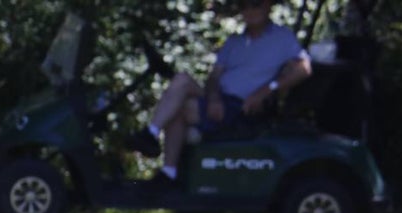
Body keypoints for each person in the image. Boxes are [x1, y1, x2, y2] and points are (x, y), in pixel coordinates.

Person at [126, 0, 312, 184]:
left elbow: (304, 68)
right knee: (182, 79)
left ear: (268, 5)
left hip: (243, 107)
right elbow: (214, 77)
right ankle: (151, 133)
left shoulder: (282, 38)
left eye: (255, 4)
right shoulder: (234, 41)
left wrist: (267, 90)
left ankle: (169, 171)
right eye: (244, 5)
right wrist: (214, 98)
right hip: (220, 99)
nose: (249, 10)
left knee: (182, 107)